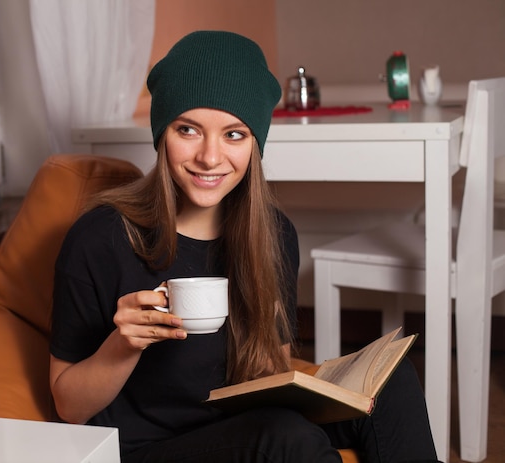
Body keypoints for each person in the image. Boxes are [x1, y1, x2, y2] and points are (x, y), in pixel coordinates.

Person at [49, 30, 441, 463]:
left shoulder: (273, 234)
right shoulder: (101, 238)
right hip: (145, 449)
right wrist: (122, 345)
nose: (210, 157)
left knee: (393, 381)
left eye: (234, 134)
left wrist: (316, 382)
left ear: (255, 142)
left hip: (241, 423)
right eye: (188, 130)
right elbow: (68, 407)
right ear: (163, 133)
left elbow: (270, 369)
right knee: (284, 436)